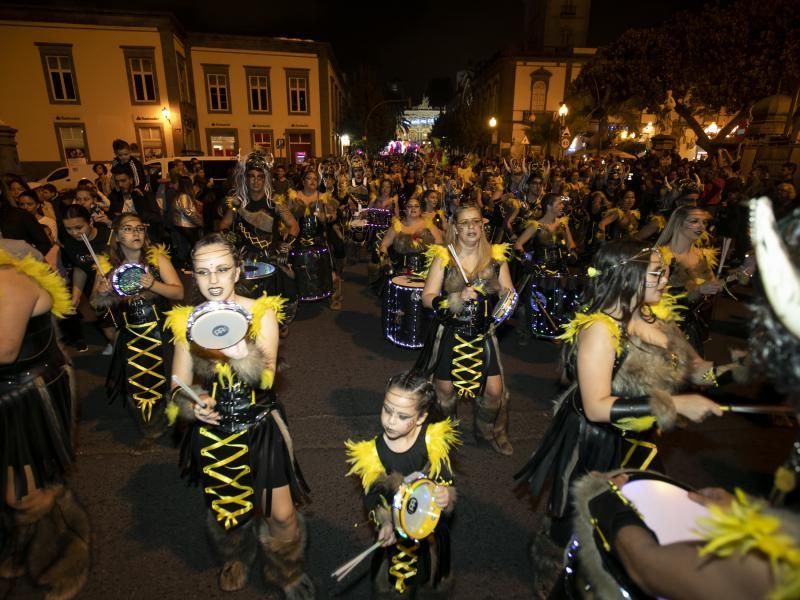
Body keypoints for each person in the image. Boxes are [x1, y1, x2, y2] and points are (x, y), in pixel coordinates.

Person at [513, 240, 745, 592]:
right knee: (574, 511)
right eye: (655, 273)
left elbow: (697, 370)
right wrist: (674, 406)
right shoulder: (601, 330)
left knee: (637, 506)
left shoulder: (660, 317)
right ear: (627, 276)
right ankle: (550, 568)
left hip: (641, 438)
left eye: (664, 271)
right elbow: (596, 405)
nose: (665, 279)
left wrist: (737, 369)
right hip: (594, 439)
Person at [164, 234, 312, 597]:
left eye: (221, 269)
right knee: (228, 512)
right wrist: (193, 401)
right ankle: (234, 556)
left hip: (260, 423)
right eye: (202, 272)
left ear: (237, 271)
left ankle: (286, 570)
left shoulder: (260, 313)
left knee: (282, 516)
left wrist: (239, 348)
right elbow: (177, 384)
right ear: (193, 277)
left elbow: (266, 376)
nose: (213, 280)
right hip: (215, 431)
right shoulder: (187, 321)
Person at [0, 240, 90, 600]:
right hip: (11, 393)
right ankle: (19, 548)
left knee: (25, 494)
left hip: (23, 398)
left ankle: (64, 562)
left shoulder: (9, 278)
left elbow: (5, 349)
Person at [345, 370, 459, 597]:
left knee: (431, 578)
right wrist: (384, 522)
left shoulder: (432, 441)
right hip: (396, 533)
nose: (390, 421)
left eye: (403, 416)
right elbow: (372, 498)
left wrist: (446, 494)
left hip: (429, 530)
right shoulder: (373, 453)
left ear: (421, 417)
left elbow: (445, 478)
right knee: (394, 583)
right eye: (387, 410)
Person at [417, 204, 516, 456]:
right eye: (465, 223)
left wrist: (506, 298)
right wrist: (454, 298)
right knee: (445, 390)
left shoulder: (496, 258)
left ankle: (487, 430)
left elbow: (509, 291)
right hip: (449, 331)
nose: (471, 227)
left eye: (476, 222)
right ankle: (446, 433)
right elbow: (427, 297)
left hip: (483, 333)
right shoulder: (444, 257)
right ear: (456, 229)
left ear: (483, 225)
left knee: (494, 391)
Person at [92, 213, 183, 440]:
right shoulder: (105, 265)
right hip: (130, 335)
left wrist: (154, 284)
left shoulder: (156, 260)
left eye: (140, 228)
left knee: (167, 378)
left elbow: (178, 292)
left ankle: (173, 422)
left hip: (160, 331)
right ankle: (150, 426)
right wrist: (101, 293)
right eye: (128, 228)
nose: (135, 233)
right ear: (117, 235)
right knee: (138, 383)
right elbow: (95, 305)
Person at [219, 152, 300, 336]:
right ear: (246, 179)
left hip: (270, 257)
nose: (256, 181)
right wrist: (227, 237)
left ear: (266, 179)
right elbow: (223, 225)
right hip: (244, 258)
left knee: (284, 286)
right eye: (252, 177)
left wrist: (285, 246)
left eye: (260, 177)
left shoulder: (275, 203)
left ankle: (276, 326)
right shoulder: (237, 204)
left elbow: (294, 226)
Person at [656, 205, 722, 354]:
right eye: (694, 221)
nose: (701, 226)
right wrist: (697, 289)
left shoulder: (702, 255)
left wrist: (740, 273)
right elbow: (653, 296)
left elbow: (713, 287)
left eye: (704, 222)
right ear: (679, 223)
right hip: (664, 328)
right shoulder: (661, 255)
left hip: (690, 328)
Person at [513, 193, 578, 342]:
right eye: (559, 204)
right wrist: (525, 261)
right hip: (539, 270)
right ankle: (527, 332)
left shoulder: (563, 224)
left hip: (560, 269)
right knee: (535, 303)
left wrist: (572, 253)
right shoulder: (535, 226)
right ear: (549, 206)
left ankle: (555, 331)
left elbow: (571, 244)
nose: (563, 206)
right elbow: (518, 245)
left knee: (558, 301)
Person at [59, 204, 112, 352]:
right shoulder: (69, 243)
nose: (74, 233)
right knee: (107, 326)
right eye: (68, 229)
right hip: (93, 291)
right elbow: (79, 268)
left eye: (78, 227)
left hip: (116, 287)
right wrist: (76, 297)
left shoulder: (107, 236)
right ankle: (115, 344)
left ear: (90, 221)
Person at [379, 197, 443, 275]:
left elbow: (440, 245)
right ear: (405, 211)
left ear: (420, 211)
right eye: (410, 206)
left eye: (416, 206)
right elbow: (383, 245)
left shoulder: (429, 226)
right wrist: (385, 261)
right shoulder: (396, 227)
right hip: (399, 271)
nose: (413, 208)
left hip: (426, 271)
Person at [108, 163, 163, 242]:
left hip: (146, 239)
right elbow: (112, 217)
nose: (120, 184)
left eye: (123, 181)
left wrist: (136, 215)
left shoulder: (143, 195)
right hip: (124, 241)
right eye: (117, 182)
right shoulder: (115, 197)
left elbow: (158, 218)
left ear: (131, 180)